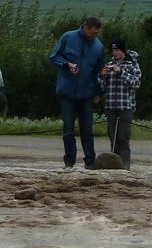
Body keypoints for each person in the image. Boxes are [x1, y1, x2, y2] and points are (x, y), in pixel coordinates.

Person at [49, 17, 104, 169]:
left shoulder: (99, 47)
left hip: (87, 93)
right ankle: (69, 162)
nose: (95, 36)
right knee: (68, 128)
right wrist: (67, 64)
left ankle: (90, 162)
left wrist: (98, 92)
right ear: (86, 28)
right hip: (67, 92)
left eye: (97, 33)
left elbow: (99, 73)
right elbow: (53, 57)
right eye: (93, 33)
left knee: (86, 128)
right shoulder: (68, 37)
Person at [97, 37, 141, 168]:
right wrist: (102, 75)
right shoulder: (108, 64)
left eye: (117, 50)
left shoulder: (133, 64)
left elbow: (136, 83)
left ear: (123, 50)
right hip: (111, 105)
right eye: (113, 50)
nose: (114, 53)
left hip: (126, 106)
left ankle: (125, 164)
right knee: (112, 136)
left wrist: (121, 72)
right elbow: (102, 87)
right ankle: (114, 164)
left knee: (123, 136)